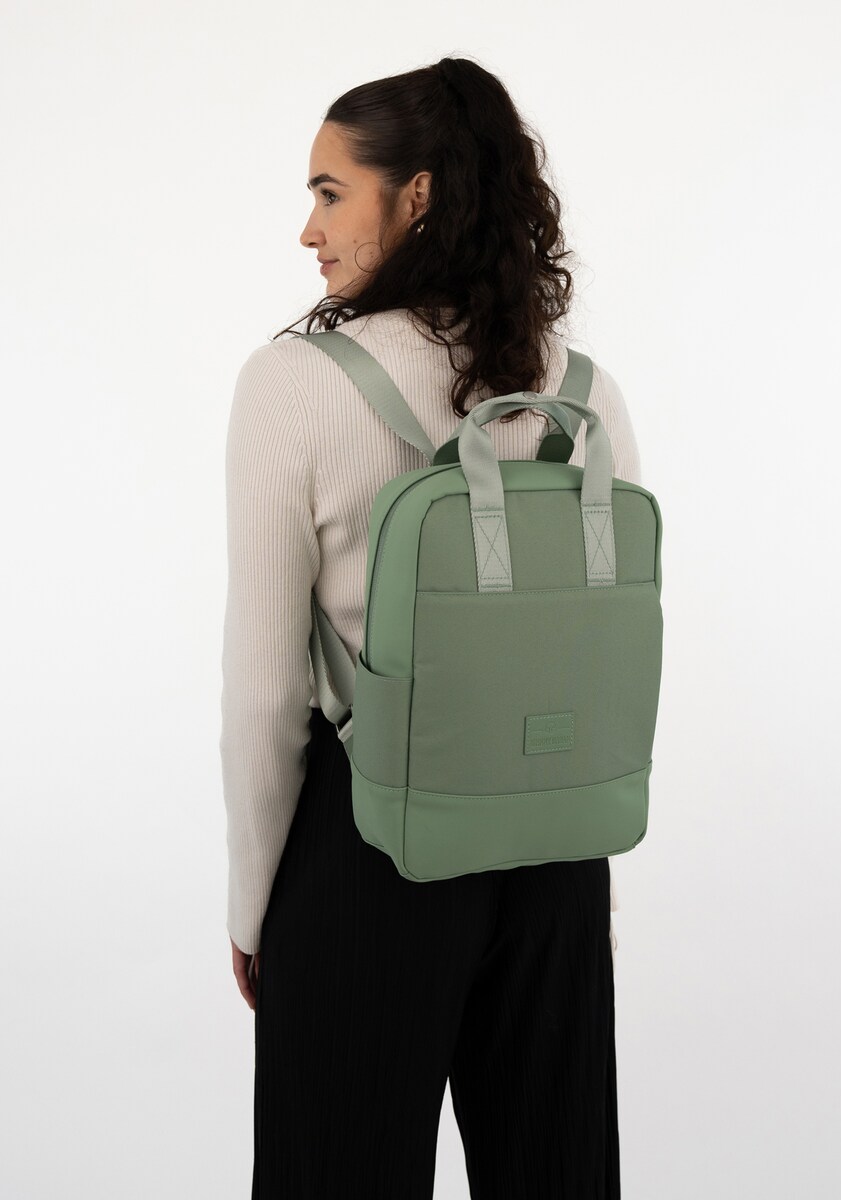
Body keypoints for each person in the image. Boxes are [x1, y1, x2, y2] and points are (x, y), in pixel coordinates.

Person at [220, 53, 642, 1200]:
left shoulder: (294, 385)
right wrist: (584, 873)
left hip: (369, 850)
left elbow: (265, 694)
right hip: (555, 857)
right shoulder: (583, 392)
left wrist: (256, 905)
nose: (307, 230)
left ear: (415, 197)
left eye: (329, 192)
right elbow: (602, 644)